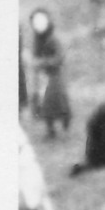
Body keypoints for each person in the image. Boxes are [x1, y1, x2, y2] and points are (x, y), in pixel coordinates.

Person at [26, 9, 71, 139]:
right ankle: (50, 129)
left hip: (54, 76)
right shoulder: (37, 41)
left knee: (57, 101)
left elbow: (59, 57)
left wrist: (44, 62)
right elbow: (34, 55)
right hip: (42, 77)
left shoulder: (53, 40)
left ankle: (65, 118)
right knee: (43, 104)